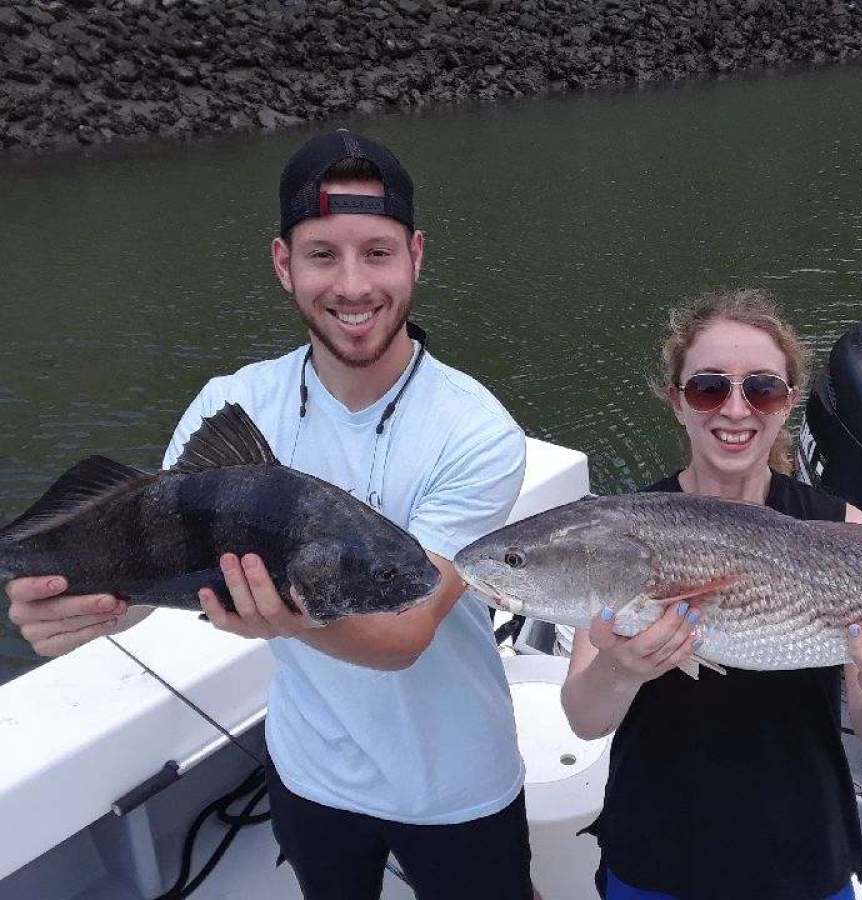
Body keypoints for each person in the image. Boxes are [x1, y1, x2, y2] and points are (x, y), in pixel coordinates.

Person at [5, 130, 538, 900]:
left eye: (377, 253)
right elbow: (166, 572)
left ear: (417, 256)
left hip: (453, 783)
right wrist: (80, 608)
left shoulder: (475, 430)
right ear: (284, 264)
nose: (353, 285)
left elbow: (404, 632)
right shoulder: (233, 402)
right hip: (307, 769)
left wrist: (288, 618)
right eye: (323, 254)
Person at [560, 289, 862, 900]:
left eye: (763, 389)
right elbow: (586, 720)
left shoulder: (840, 526)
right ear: (676, 401)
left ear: (789, 405)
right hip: (657, 853)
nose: (736, 409)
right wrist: (618, 668)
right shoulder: (623, 531)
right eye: (708, 388)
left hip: (800, 858)